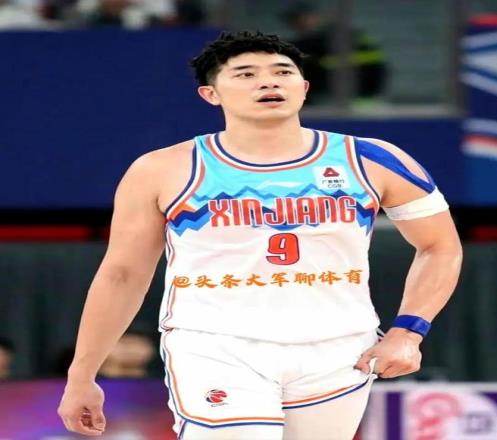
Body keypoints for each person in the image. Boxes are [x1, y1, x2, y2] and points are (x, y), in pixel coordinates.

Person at [57, 31, 462, 439]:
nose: (268, 82)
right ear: (210, 94)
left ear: (304, 87)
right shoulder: (162, 169)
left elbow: (440, 246)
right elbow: (122, 274)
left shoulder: (373, 159)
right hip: (215, 345)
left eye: (282, 72)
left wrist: (408, 331)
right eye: (246, 74)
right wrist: (82, 374)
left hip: (339, 346)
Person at [283, 2, 387, 104]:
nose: (297, 24)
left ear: (315, 17)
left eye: (300, 19)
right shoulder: (343, 32)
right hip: (360, 92)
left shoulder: (327, 36)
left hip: (354, 91)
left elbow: (298, 47)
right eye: (293, 21)